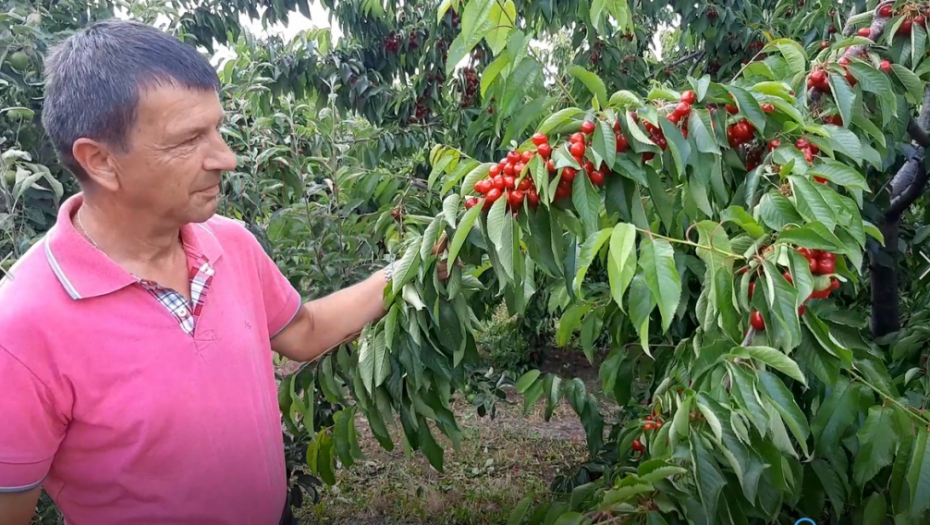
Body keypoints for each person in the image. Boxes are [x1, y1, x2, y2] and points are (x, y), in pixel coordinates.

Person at [0, 18, 444, 525]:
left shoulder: (229, 243)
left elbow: (304, 331)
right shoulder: (22, 326)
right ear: (99, 160)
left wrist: (414, 265)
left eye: (217, 128)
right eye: (189, 140)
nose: (227, 158)